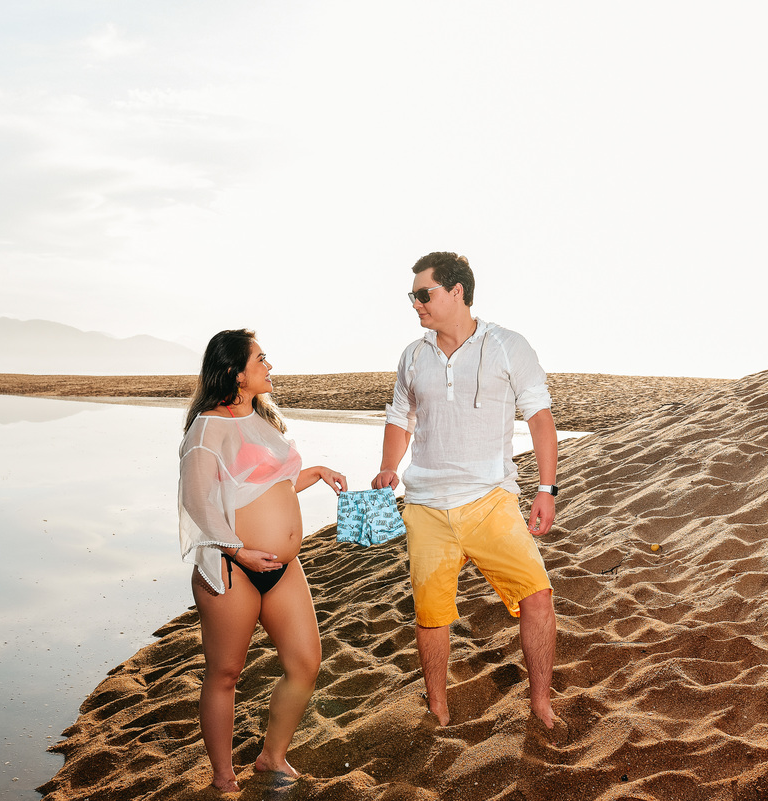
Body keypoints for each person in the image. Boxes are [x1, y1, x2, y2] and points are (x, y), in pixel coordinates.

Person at [372, 252, 560, 729]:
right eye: (412, 295)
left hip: (490, 500)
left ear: (457, 291)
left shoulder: (508, 346)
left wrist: (546, 488)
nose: (415, 303)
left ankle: (541, 704)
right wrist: (388, 467)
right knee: (431, 614)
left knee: (538, 596)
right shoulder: (413, 356)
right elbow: (400, 417)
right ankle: (438, 707)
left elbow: (539, 418)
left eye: (423, 293)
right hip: (426, 506)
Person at [178, 329, 346, 792]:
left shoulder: (262, 419)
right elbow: (197, 502)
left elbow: (269, 485)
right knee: (226, 673)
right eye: (261, 359)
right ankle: (223, 776)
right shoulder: (207, 427)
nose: (269, 366)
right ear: (236, 372)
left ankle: (271, 756)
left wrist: (316, 472)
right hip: (233, 568)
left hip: (282, 568)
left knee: (305, 663)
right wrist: (238, 551)